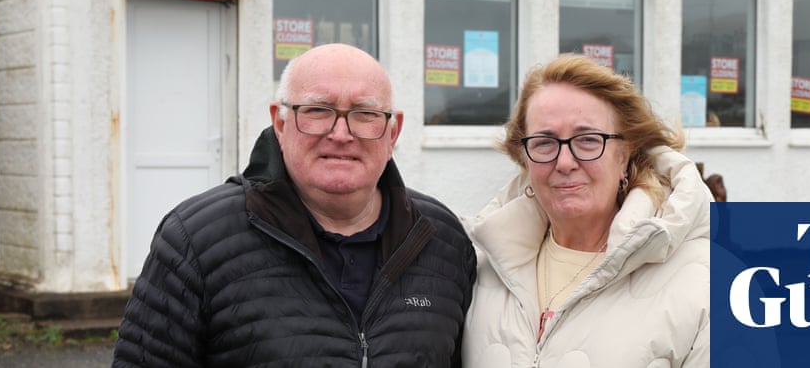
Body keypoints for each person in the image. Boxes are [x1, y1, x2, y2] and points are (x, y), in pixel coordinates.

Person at [113, 43, 476, 367]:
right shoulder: (195, 239)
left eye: (365, 113)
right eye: (318, 110)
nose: (340, 133)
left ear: (393, 132)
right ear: (280, 123)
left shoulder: (441, 239)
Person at [462, 54, 712, 366]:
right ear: (523, 157)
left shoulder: (712, 283)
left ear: (624, 154)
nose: (565, 163)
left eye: (588, 140)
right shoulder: (478, 264)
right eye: (544, 143)